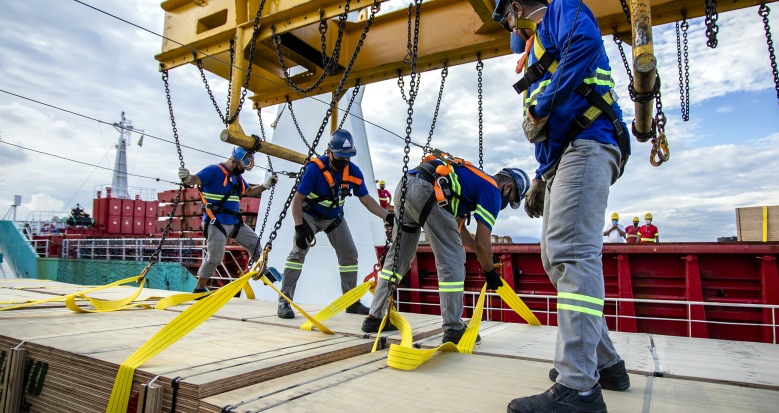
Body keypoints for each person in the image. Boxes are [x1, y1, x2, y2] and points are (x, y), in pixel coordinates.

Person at [492, 0, 631, 413]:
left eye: (506, 17)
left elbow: (586, 46)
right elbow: (551, 129)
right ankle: (604, 363)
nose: (509, 27)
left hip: (590, 143)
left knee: (570, 253)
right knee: (557, 257)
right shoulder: (538, 52)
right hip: (568, 154)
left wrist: (546, 102)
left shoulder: (560, 11)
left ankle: (577, 386)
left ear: (515, 6)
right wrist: (538, 177)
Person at [364, 152, 529, 342]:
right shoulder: (493, 190)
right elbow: (483, 242)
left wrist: (481, 253)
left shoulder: (471, 182)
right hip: (426, 191)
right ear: (508, 187)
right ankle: (453, 328)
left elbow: (460, 230)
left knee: (399, 258)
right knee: (453, 258)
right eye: (514, 198)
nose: (508, 203)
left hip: (405, 186)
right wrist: (490, 272)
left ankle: (374, 317)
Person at [280, 129, 389, 319]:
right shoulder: (314, 169)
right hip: (309, 216)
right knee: (298, 253)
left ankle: (351, 301)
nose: (344, 161)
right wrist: (299, 227)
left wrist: (388, 216)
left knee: (349, 255)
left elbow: (366, 199)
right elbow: (297, 200)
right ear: (329, 152)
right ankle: (284, 302)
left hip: (334, 218)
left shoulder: (353, 172)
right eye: (340, 156)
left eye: (348, 157)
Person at [178, 147, 277, 293]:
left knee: (254, 242)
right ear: (234, 161)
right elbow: (194, 179)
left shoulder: (236, 176)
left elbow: (248, 191)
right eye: (242, 167)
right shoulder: (214, 171)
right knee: (215, 257)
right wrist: (186, 177)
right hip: (216, 221)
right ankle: (199, 289)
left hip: (234, 221)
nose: (243, 171)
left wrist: (265, 186)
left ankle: (264, 271)